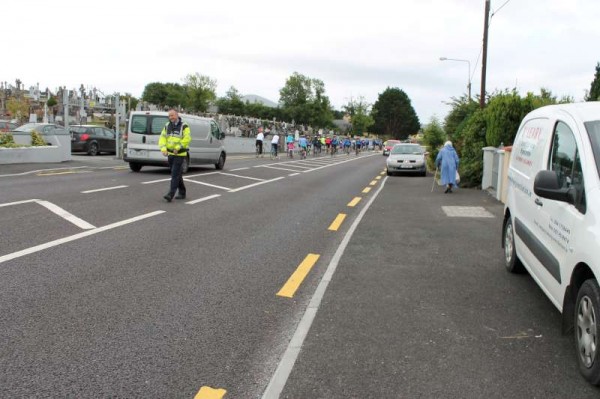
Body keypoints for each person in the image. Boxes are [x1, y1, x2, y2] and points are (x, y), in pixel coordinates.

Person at [159, 109, 191, 202]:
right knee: (177, 174)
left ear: (177, 115)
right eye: (169, 116)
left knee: (174, 174)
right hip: (170, 154)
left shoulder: (184, 126)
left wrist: (178, 147)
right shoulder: (167, 125)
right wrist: (163, 149)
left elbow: (187, 138)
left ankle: (170, 194)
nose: (170, 118)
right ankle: (182, 192)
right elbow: (162, 137)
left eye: (172, 115)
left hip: (180, 154)